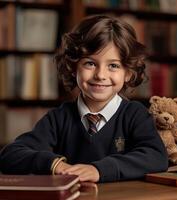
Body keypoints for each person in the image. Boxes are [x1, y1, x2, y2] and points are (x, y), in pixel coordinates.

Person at [0, 15, 168, 183]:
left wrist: (99, 170)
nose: (100, 75)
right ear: (73, 67)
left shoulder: (134, 114)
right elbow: (10, 155)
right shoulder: (58, 119)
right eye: (90, 63)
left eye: (113, 66)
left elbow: (156, 156)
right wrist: (55, 165)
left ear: (128, 73)